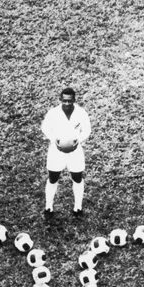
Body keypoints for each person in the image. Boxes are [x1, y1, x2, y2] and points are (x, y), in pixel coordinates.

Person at [40, 87, 91, 216]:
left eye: (70, 101)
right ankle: (48, 207)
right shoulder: (53, 113)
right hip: (56, 152)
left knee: (77, 178)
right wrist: (54, 140)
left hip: (75, 151)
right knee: (53, 178)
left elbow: (87, 130)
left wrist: (77, 140)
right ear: (60, 100)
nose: (67, 104)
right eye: (64, 101)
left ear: (74, 100)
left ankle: (78, 207)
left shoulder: (81, 113)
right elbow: (45, 128)